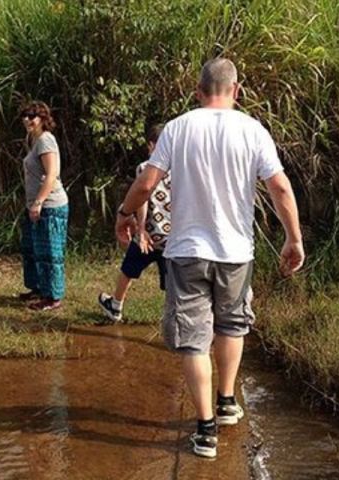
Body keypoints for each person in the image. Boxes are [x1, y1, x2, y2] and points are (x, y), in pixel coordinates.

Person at [115, 58, 304, 459]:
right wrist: (294, 239)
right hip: (236, 252)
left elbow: (147, 182)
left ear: (198, 92)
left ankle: (205, 431)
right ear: (237, 91)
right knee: (232, 324)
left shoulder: (177, 129)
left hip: (186, 252)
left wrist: (125, 214)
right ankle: (226, 400)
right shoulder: (253, 130)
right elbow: (280, 188)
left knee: (194, 340)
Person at [98, 123, 170, 323]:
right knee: (172, 282)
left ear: (150, 145)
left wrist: (140, 229)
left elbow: (142, 199)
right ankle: (175, 317)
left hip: (148, 234)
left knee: (128, 269)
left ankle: (116, 306)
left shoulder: (145, 168)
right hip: (173, 237)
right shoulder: (180, 170)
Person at [18, 101, 69, 311]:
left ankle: (53, 296)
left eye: (33, 116)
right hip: (36, 205)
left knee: (50, 252)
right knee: (33, 249)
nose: (29, 120)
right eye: (26, 116)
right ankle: (39, 288)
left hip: (50, 205)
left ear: (43, 119)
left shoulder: (46, 140)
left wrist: (38, 202)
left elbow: (52, 174)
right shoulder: (34, 140)